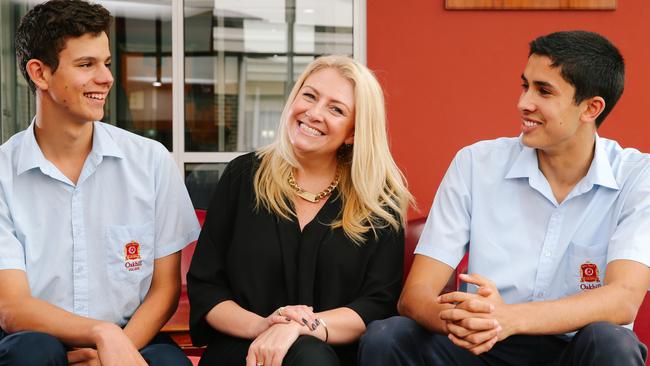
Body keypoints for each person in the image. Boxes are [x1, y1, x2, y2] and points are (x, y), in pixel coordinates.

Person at [358, 30, 650, 366]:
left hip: (575, 350)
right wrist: (473, 322)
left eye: (544, 91)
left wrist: (509, 317)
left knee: (611, 341)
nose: (523, 102)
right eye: (525, 85)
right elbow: (416, 296)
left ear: (590, 108)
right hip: (481, 346)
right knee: (387, 337)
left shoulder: (638, 176)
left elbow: (622, 300)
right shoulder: (475, 163)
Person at [0, 1, 200, 365]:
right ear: (39, 73)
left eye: (106, 63)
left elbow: (164, 289)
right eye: (86, 64)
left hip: (132, 336)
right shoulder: (2, 174)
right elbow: (12, 307)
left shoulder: (152, 161)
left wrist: (114, 346)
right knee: (33, 354)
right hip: (35, 343)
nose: (107, 78)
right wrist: (100, 333)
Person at [187, 55, 413, 366]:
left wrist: (300, 328)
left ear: (353, 132)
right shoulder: (243, 176)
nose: (314, 113)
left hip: (332, 354)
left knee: (311, 356)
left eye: (336, 109)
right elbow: (207, 288)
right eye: (309, 96)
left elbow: (377, 304)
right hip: (243, 350)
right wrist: (264, 325)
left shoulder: (379, 201)